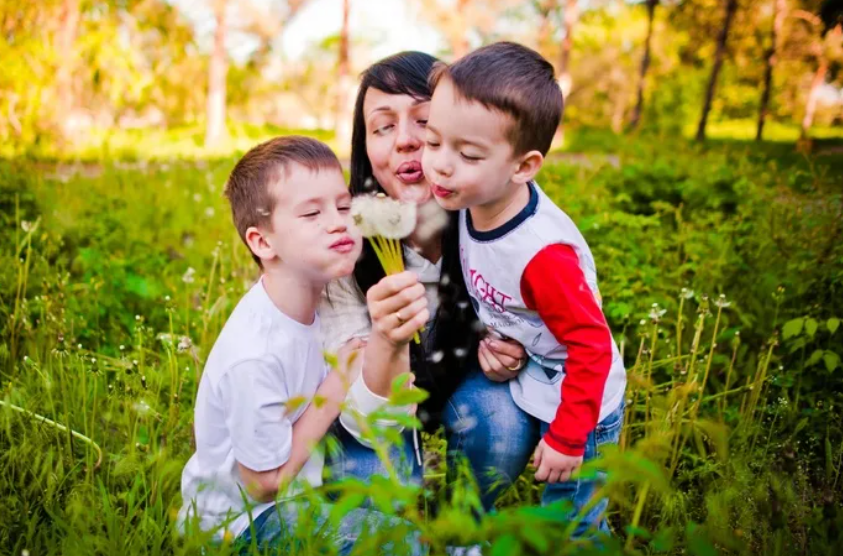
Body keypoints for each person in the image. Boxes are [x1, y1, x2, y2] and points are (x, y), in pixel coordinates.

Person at [421, 42, 627, 537]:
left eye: (467, 153)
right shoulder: (472, 200)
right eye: (433, 142)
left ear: (523, 166)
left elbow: (592, 346)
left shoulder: (541, 255)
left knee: (573, 523)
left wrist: (569, 437)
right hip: (534, 373)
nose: (442, 165)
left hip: (581, 404)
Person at [178, 136, 419, 555]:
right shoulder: (254, 352)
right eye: (312, 212)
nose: (338, 222)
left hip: (293, 500)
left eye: (344, 207)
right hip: (239, 530)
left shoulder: (317, 305)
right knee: (396, 542)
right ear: (262, 242)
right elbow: (263, 483)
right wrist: (339, 379)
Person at [319, 52, 536, 510]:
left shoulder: (500, 219)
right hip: (375, 400)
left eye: (424, 119)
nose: (405, 141)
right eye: (382, 127)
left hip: (462, 385)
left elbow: (542, 325)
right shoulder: (346, 242)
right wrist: (385, 339)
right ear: (364, 147)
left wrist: (517, 352)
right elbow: (363, 413)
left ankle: (462, 523)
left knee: (503, 421)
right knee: (371, 508)